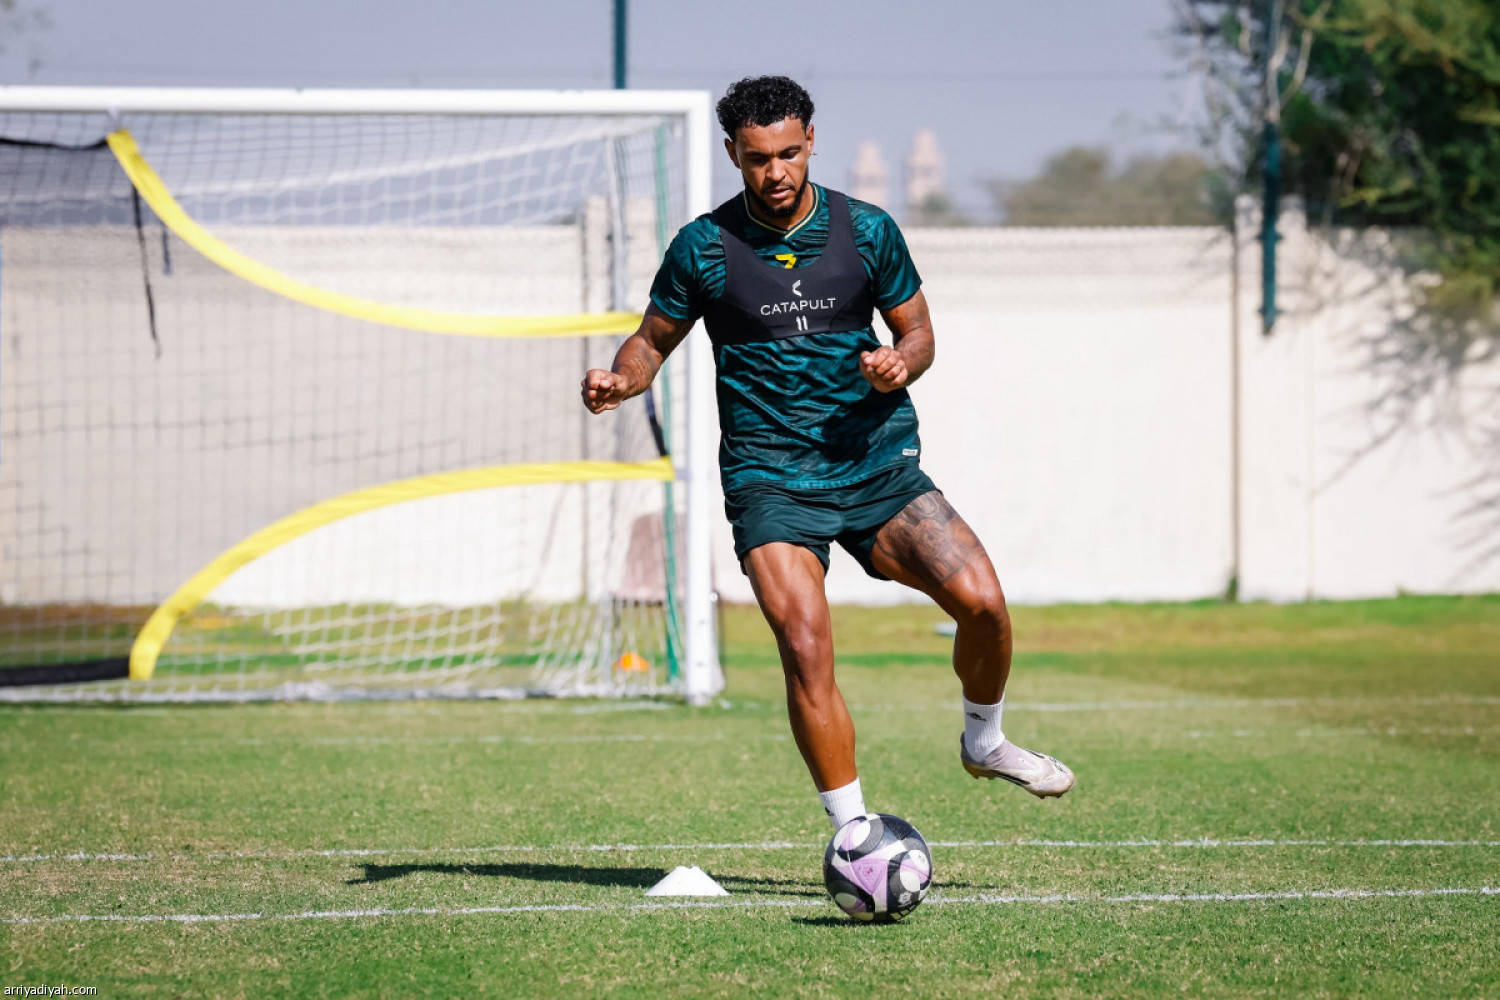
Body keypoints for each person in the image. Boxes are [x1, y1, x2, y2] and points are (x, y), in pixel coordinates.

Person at [581, 75, 1073, 831]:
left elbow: (918, 333)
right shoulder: (703, 247)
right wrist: (623, 379)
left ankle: (984, 740)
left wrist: (901, 363)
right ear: (733, 155)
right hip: (770, 477)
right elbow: (650, 341)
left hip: (874, 464)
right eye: (757, 159)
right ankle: (855, 834)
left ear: (811, 141)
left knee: (984, 606)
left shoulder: (867, 230)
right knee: (805, 646)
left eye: (788, 153)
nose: (775, 173)